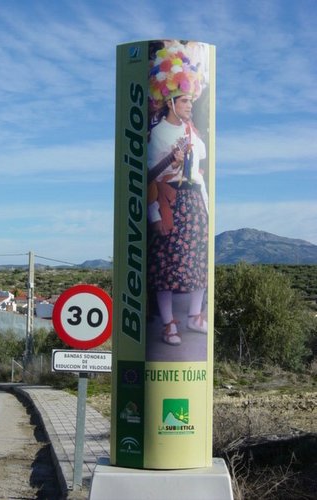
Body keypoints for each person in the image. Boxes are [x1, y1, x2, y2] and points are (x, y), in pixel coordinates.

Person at [147, 40, 209, 347]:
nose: (189, 106)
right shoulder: (158, 134)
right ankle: (169, 323)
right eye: (184, 101)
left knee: (198, 259)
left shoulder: (191, 131)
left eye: (190, 101)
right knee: (166, 263)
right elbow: (148, 177)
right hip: (169, 199)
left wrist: (206, 206)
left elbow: (199, 169)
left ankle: (194, 316)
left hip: (193, 199)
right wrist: (154, 213)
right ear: (170, 101)